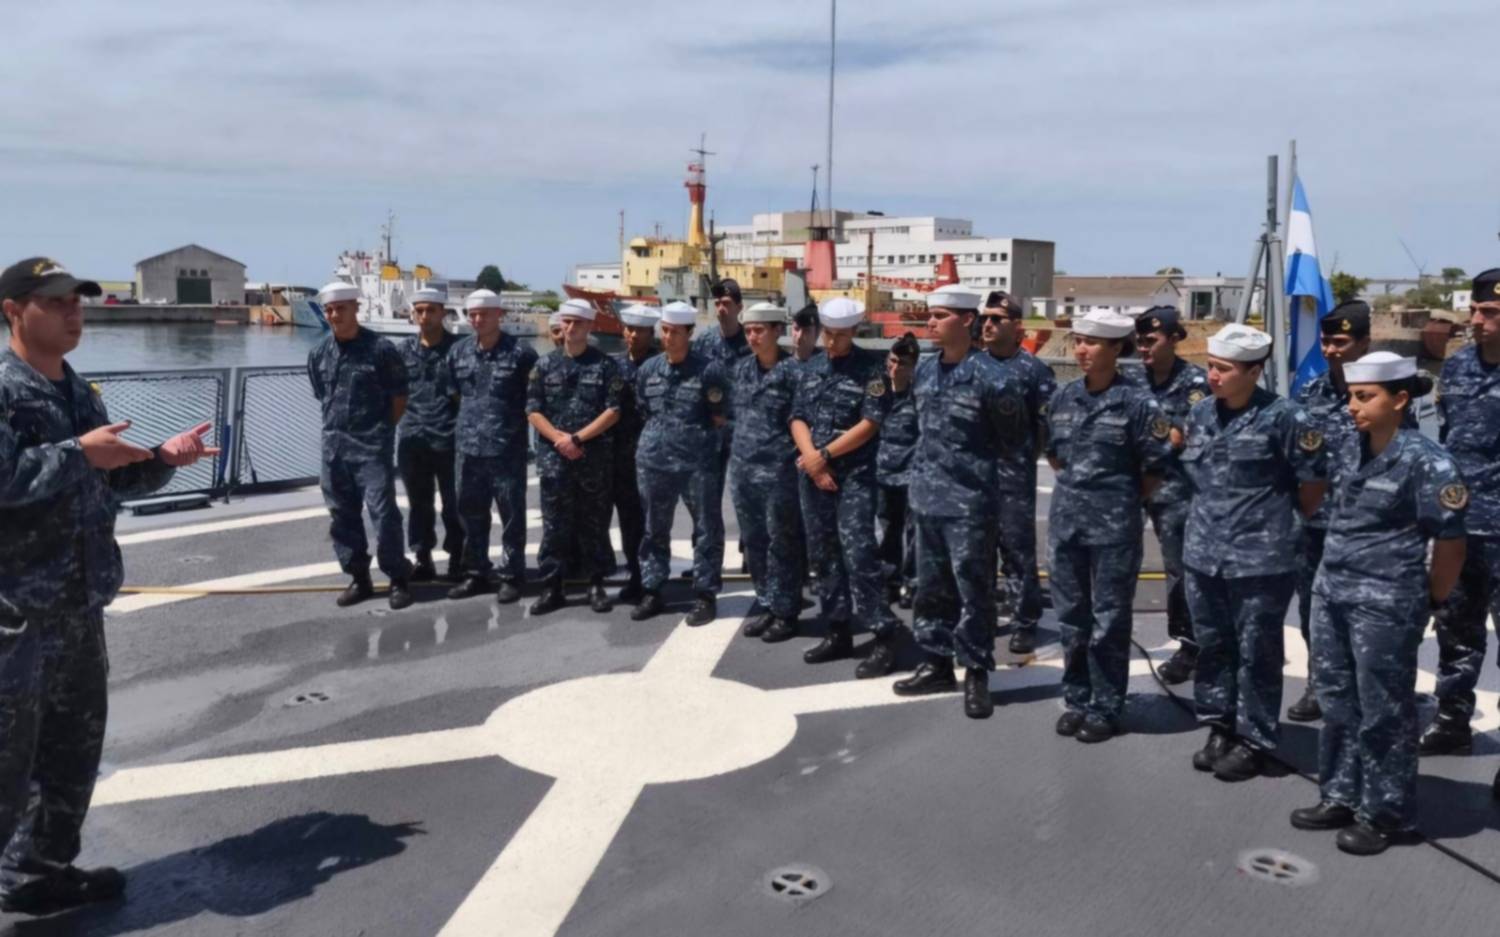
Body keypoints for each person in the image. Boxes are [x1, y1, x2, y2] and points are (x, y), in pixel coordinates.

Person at [0, 257, 216, 914]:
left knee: (71, 748)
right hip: (17, 614)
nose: (75, 312)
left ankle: (37, 871)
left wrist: (160, 460)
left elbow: (105, 479)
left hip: (78, 606)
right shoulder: (6, 390)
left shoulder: (80, 392)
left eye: (78, 301)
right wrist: (77, 453)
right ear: (14, 309)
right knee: (7, 761)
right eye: (58, 300)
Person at [1291, 352, 1467, 854]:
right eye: (1350, 395)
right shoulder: (1347, 448)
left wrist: (1432, 597)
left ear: (1401, 399)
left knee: (1385, 710)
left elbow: (1451, 542)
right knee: (1338, 701)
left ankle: (1389, 813)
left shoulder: (1428, 462)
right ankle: (1342, 794)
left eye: (1365, 397)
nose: (1352, 407)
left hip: (1386, 604)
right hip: (1334, 594)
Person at [1179, 324, 1327, 781]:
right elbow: (1193, 476)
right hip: (1204, 553)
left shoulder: (1287, 419)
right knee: (1213, 645)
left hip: (1262, 559)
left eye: (1223, 369)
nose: (1213, 376)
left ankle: (1255, 738)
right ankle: (1219, 725)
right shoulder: (1201, 414)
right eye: (1210, 366)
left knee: (1258, 651)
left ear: (1254, 371)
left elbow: (1313, 486)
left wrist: (1275, 527)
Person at [893, 286, 1028, 718]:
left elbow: (1014, 445)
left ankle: (975, 671)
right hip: (928, 500)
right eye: (930, 314)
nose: (930, 322)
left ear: (967, 321)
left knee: (975, 589)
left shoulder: (993, 377)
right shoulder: (926, 372)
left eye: (941, 315)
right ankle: (934, 662)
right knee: (929, 589)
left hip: (972, 504)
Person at [1046, 310, 1171, 743]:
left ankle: (1106, 705)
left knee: (1109, 620)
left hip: (1114, 528)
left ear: (1117, 349)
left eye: (1092, 342)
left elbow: (1154, 468)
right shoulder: (1063, 398)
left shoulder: (1139, 405)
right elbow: (1056, 457)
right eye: (1078, 340)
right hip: (1066, 526)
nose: (1081, 349)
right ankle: (1078, 698)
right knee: (1072, 618)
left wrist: (1117, 500)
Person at [1289, 300, 1410, 722]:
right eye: (1325, 340)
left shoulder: (1390, 398)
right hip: (1318, 523)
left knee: (1367, 615)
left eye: (1341, 341)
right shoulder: (1309, 392)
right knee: (1313, 610)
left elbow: (1406, 461)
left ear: (1364, 342)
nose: (1330, 349)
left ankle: (1364, 687)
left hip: (1369, 530)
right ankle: (1318, 683)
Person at [790, 297, 901, 678]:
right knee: (823, 556)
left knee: (859, 555)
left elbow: (870, 423)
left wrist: (824, 455)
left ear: (853, 332)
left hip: (852, 476)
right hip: (814, 474)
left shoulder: (871, 371)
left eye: (839, 336)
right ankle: (837, 628)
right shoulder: (812, 367)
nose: (832, 342)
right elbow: (798, 416)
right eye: (828, 335)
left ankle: (884, 633)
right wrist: (812, 458)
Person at [1423, 269, 1500, 773]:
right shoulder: (1459, 367)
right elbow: (1449, 440)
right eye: (1475, 311)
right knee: (1456, 630)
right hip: (1463, 527)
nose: (1477, 320)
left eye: (1490, 313)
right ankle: (1452, 722)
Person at [307, 281, 414, 610]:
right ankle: (359, 577)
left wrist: (381, 433)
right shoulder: (319, 352)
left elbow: (399, 396)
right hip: (334, 449)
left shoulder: (381, 349)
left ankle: (398, 577)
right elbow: (320, 393)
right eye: (329, 310)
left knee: (383, 514)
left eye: (341, 308)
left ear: (356, 308)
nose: (334, 315)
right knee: (341, 515)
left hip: (371, 449)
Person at [630, 301, 729, 624]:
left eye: (675, 332)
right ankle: (653, 589)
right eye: (665, 331)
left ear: (689, 333)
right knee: (653, 528)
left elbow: (719, 416)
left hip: (697, 463)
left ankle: (704, 594)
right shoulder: (648, 369)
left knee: (706, 528)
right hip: (654, 461)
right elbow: (644, 409)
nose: (668, 337)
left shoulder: (709, 370)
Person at [525, 299, 623, 614]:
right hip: (556, 458)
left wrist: (578, 438)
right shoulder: (544, 365)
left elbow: (614, 410)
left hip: (592, 457)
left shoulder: (605, 366)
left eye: (578, 323)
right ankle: (552, 586)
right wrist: (560, 440)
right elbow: (533, 410)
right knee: (554, 524)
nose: (570, 328)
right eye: (566, 322)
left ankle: (596, 584)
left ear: (589, 326)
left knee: (594, 523)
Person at [446, 288, 539, 604]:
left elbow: (535, 399)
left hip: (506, 451)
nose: (476, 319)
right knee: (471, 514)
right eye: (472, 314)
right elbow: (454, 394)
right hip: (468, 452)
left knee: (511, 515)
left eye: (483, 314)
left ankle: (512, 575)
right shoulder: (457, 353)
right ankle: (476, 572)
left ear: (499, 315)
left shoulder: (522, 354)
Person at [1134, 306, 1210, 684]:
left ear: (1175, 338)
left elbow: (1183, 437)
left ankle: (1190, 644)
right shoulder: (1133, 380)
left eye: (1152, 340)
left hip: (1176, 493)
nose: (1143, 348)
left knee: (1180, 572)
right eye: (1140, 341)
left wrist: (1146, 430)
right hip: (1133, 489)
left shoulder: (1196, 384)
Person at [979, 290, 1056, 653]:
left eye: (998, 318)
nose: (988, 324)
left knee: (1017, 551)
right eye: (986, 318)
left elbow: (1046, 428)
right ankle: (981, 614)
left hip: (1013, 476)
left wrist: (1022, 460)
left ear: (1017, 326)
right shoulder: (970, 365)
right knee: (976, 551)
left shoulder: (1034, 371)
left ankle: (1026, 620)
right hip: (974, 477)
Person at [728, 302, 804, 642]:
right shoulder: (741, 369)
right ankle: (767, 603)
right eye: (748, 331)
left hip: (779, 472)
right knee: (755, 542)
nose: (753, 336)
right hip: (743, 470)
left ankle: (786, 611)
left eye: (760, 330)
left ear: (777, 331)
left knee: (782, 543)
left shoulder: (795, 373)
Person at [396, 288, 463, 582]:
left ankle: (458, 557)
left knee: (455, 503)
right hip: (413, 439)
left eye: (430, 310)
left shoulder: (460, 349)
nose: (424, 316)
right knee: (419, 504)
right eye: (419, 310)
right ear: (413, 314)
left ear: (442, 313)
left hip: (450, 438)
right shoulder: (400, 352)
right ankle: (423, 557)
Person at [689, 279, 752, 582]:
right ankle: (704, 558)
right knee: (705, 500)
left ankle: (750, 554)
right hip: (709, 434)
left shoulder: (751, 343)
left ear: (739, 307)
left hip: (743, 432)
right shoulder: (703, 343)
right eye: (717, 303)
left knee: (745, 495)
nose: (722, 308)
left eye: (727, 303)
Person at [610, 303, 659, 603]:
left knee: (653, 521)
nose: (633, 335)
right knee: (628, 520)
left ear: (650, 333)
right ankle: (635, 575)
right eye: (629, 329)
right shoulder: (613, 366)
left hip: (655, 456)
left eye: (640, 330)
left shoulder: (661, 364)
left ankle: (653, 581)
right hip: (622, 457)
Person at [875, 333, 920, 608]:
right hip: (882, 473)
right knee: (888, 529)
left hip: (911, 475)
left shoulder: (919, 396)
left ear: (913, 366)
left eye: (902, 363)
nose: (895, 367)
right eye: (892, 360)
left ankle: (913, 584)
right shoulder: (876, 392)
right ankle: (889, 581)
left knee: (914, 533)